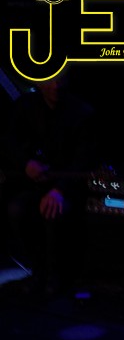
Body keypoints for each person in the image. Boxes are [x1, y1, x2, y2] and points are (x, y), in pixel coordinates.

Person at [1, 70, 99, 297]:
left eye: (61, 79)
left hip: (69, 188)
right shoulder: (26, 107)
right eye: (51, 80)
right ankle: (38, 271)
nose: (56, 86)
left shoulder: (82, 113)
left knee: (52, 212)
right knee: (17, 209)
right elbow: (8, 141)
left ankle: (56, 275)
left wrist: (59, 190)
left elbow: (83, 160)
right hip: (36, 186)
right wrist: (26, 163)